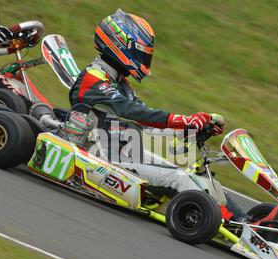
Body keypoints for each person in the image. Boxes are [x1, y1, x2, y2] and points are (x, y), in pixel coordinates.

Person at [68, 9, 243, 219]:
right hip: (96, 155)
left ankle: (249, 220)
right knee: (179, 178)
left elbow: (149, 126)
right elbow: (133, 112)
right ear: (119, 45)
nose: (145, 57)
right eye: (142, 52)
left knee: (193, 175)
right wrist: (182, 120)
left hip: (124, 152)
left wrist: (192, 129)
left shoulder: (120, 83)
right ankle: (231, 222)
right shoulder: (93, 79)